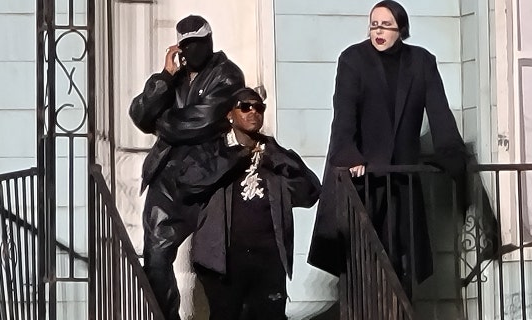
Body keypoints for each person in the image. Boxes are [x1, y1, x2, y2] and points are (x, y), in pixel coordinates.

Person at [308, 0, 470, 297]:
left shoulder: (421, 62)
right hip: (362, 183)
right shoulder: (353, 60)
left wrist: (451, 154)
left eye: (385, 25)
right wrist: (349, 155)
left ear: (401, 30)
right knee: (361, 266)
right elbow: (343, 116)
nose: (378, 31)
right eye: (373, 24)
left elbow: (440, 114)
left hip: (401, 183)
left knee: (401, 266)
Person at [129, 15, 245, 320]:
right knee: (155, 257)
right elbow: (140, 115)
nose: (192, 49)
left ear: (209, 40)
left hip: (209, 175)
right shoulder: (173, 79)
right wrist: (165, 78)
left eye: (197, 42)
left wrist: (162, 123)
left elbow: (202, 120)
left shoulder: (227, 75)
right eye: (186, 43)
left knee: (214, 260)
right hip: (167, 175)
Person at [178, 88, 322, 320]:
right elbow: (189, 184)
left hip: (269, 258)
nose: (253, 112)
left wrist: (275, 157)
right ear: (230, 114)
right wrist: (235, 157)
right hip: (223, 260)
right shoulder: (213, 152)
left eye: (259, 107)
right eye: (245, 106)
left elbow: (311, 192)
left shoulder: (274, 154)